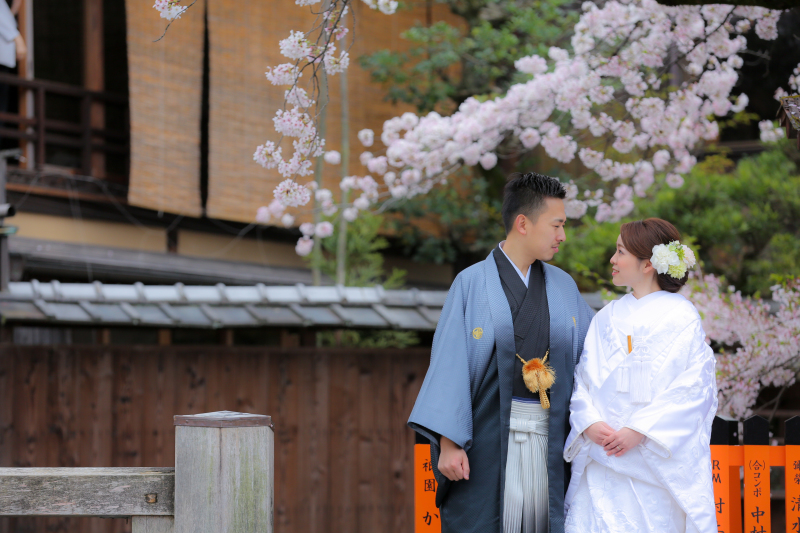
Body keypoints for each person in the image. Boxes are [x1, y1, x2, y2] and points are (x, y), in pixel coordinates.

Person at [408, 172, 595, 533]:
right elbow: (450, 365)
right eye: (557, 225)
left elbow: (594, 359)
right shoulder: (472, 282)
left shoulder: (563, 286)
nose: (562, 236)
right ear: (523, 223)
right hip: (486, 444)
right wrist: (448, 443)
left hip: (551, 443)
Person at [563, 218, 718, 533]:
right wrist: (589, 423)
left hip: (652, 461)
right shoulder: (606, 317)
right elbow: (583, 381)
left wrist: (640, 430)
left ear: (647, 264)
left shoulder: (682, 316)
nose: (612, 259)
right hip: (603, 458)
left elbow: (695, 388)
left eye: (620, 251)